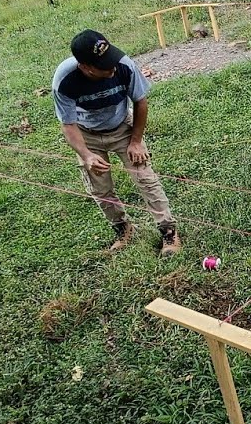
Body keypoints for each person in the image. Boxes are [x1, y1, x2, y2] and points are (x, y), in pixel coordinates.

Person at [53, 29, 182, 256]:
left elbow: (140, 102)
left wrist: (136, 141)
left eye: (110, 58)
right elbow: (68, 124)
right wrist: (86, 155)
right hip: (87, 134)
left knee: (146, 178)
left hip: (122, 126)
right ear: (85, 67)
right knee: (100, 189)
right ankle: (123, 228)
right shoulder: (64, 80)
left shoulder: (124, 65)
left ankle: (168, 231)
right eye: (104, 66)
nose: (112, 68)